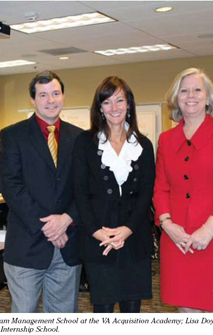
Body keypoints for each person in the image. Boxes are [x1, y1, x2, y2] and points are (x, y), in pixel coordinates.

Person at [153, 68, 213, 313]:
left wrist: (208, 229)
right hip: (178, 239)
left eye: (197, 90)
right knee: (186, 309)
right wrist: (167, 224)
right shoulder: (166, 139)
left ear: (208, 97)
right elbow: (161, 187)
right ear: (176, 98)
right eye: (184, 90)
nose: (190, 95)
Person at [0, 70, 82, 313]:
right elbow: (11, 187)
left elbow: (85, 188)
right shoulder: (13, 135)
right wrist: (49, 227)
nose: (51, 100)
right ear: (32, 100)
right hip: (27, 244)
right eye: (43, 95)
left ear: (63, 96)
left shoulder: (79, 138)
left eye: (55, 93)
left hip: (67, 245)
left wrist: (66, 219)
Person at [73, 76, 155, 313]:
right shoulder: (85, 142)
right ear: (99, 107)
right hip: (99, 238)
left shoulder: (144, 145)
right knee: (104, 307)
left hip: (134, 237)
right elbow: (79, 192)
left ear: (129, 104)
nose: (114, 107)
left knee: (132, 308)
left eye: (120, 100)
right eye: (107, 102)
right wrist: (98, 233)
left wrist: (127, 229)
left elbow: (145, 193)